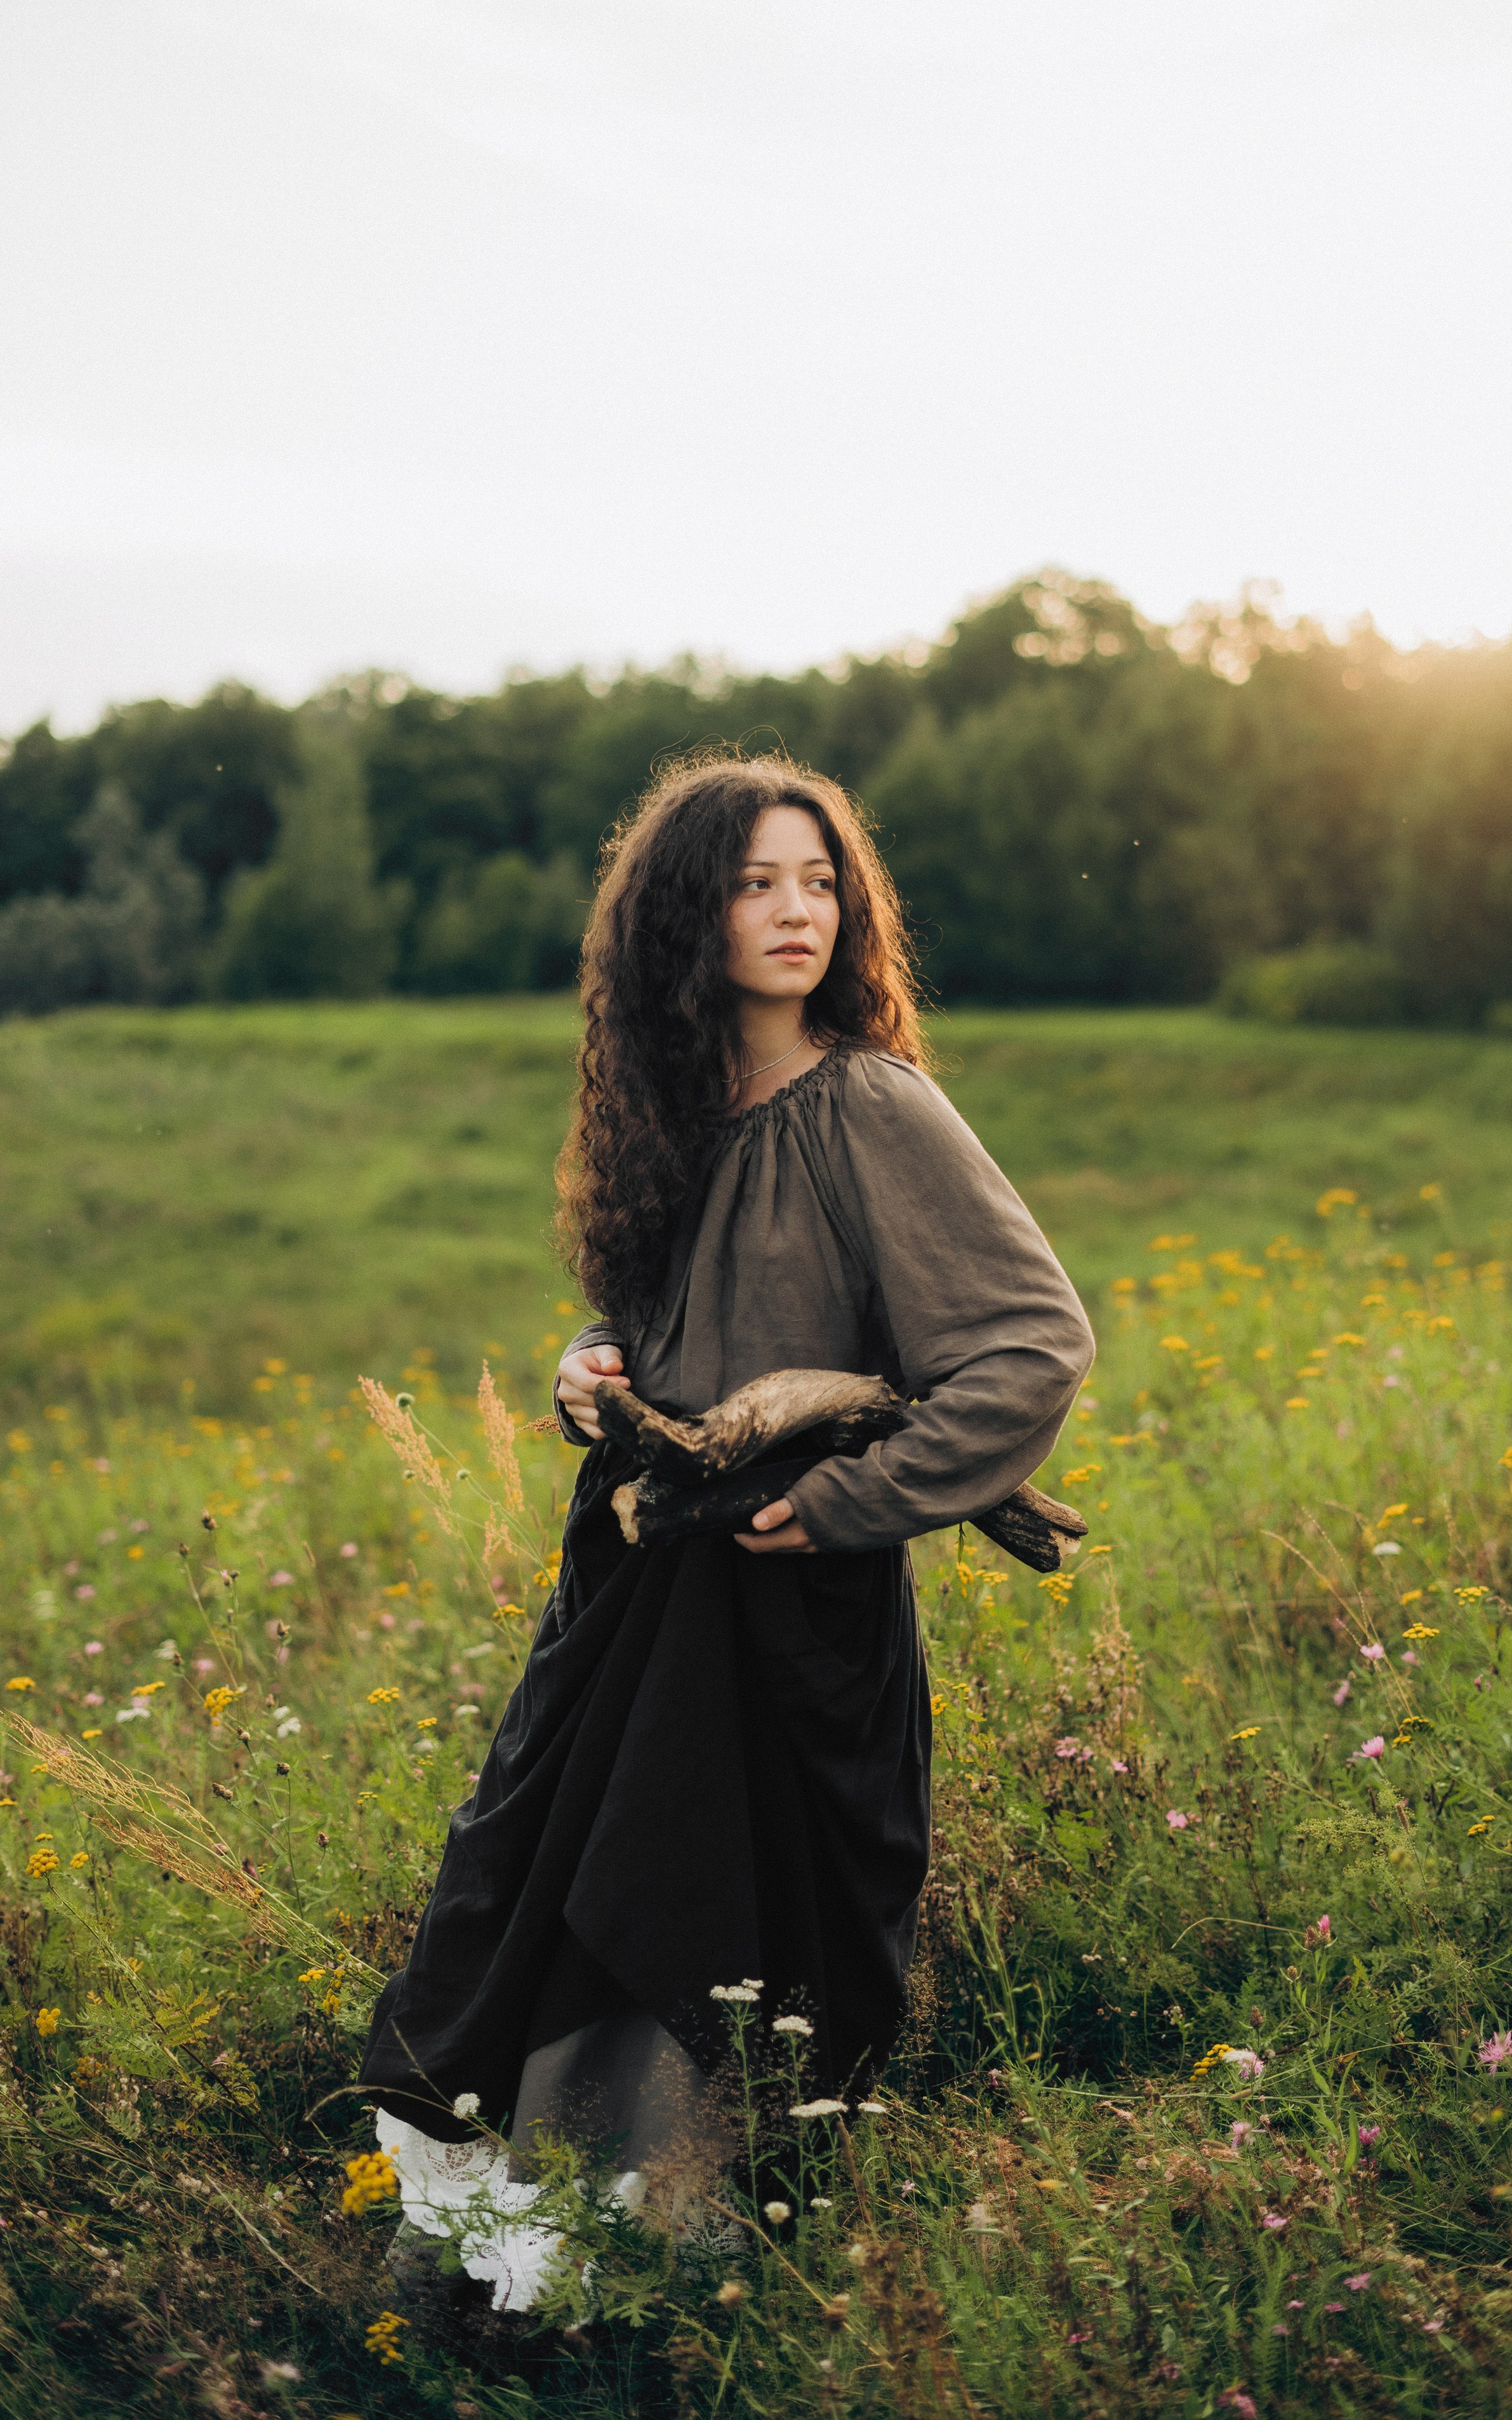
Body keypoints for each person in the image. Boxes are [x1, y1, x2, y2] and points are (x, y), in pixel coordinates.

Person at [359, 754, 1094, 2308]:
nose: (795, 911)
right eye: (757, 881)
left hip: (782, 1609)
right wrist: (586, 1373)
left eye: (818, 880)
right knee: (549, 1901)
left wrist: (847, 1504)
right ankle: (535, 2260)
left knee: (706, 1931)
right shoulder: (676, 1110)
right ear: (685, 916)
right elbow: (670, 1330)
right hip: (639, 1591)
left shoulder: (871, 1103)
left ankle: (666, 2277)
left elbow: (1030, 1344)